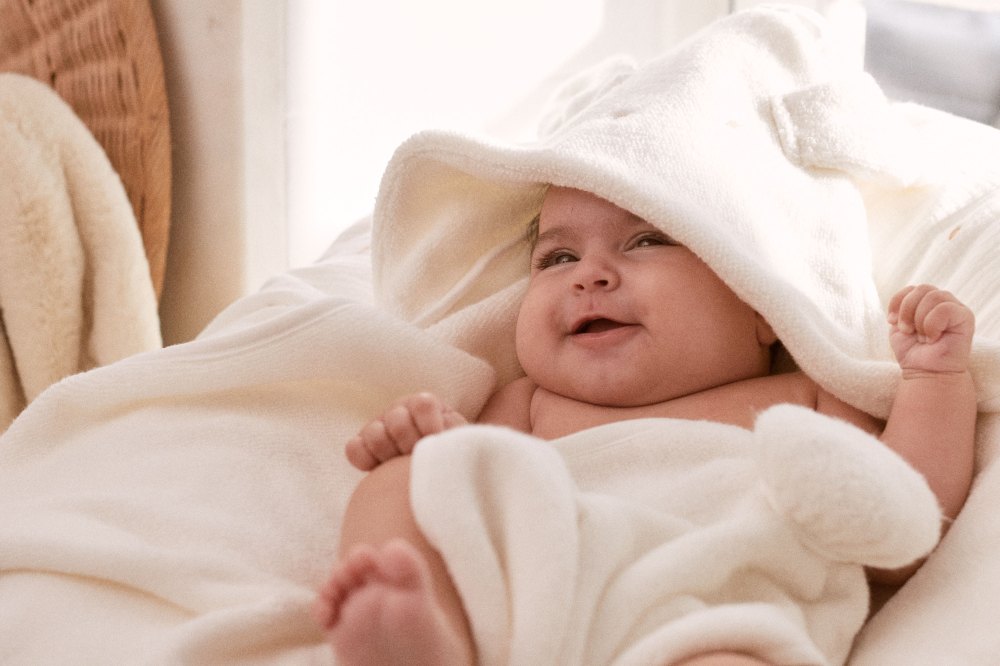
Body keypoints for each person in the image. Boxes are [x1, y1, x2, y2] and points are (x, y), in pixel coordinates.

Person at [312, 185, 978, 666]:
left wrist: (933, 381)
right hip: (529, 609)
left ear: (759, 303)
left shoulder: (803, 398)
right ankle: (422, 633)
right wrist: (428, 444)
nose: (591, 276)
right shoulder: (528, 403)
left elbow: (905, 527)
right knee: (401, 479)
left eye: (647, 241)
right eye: (556, 259)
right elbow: (476, 498)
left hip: (709, 621)